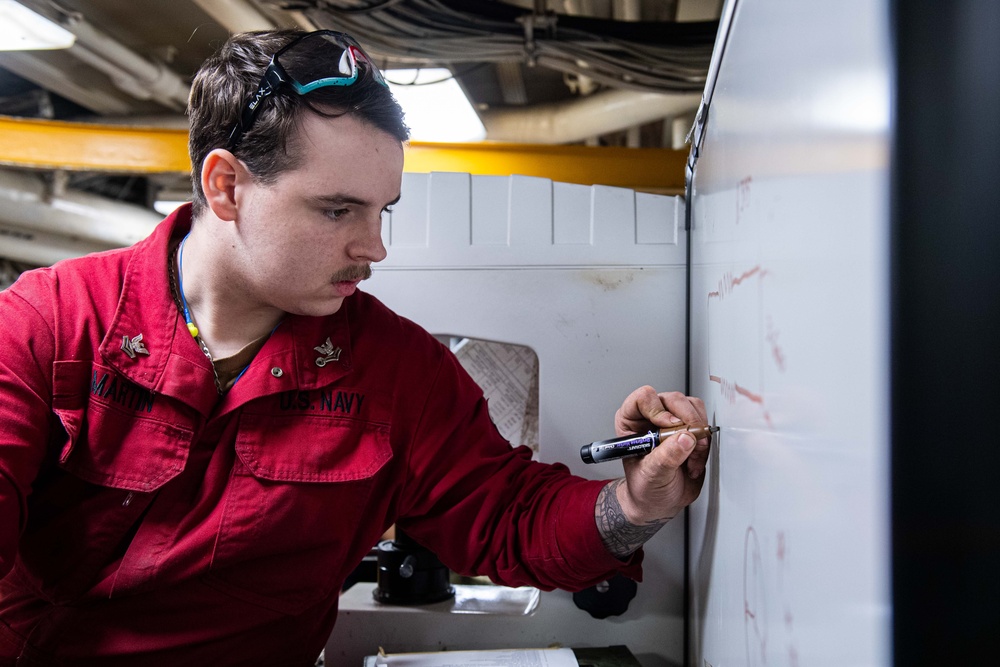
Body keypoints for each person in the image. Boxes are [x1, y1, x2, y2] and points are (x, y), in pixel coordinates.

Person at [0, 29, 711, 665]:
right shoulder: (49, 324)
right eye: (337, 209)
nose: (375, 247)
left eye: (382, 211)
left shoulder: (394, 372)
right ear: (226, 186)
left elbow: (509, 518)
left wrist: (635, 502)